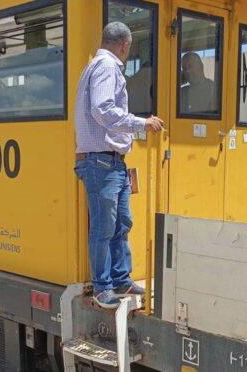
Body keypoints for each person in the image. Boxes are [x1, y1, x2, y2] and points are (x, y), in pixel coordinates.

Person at [74, 21, 164, 309]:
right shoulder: (107, 66)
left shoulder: (95, 65)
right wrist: (141, 122)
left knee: (121, 222)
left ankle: (120, 279)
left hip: (110, 162)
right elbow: (102, 109)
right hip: (102, 161)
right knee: (104, 226)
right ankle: (103, 288)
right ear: (125, 46)